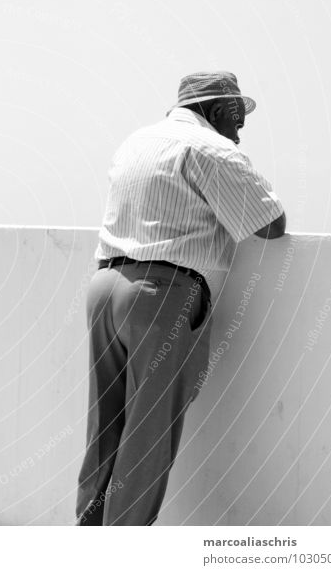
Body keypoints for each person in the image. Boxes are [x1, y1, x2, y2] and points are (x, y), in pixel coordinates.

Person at [75, 71, 286, 526]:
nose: (240, 130)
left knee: (105, 427)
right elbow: (270, 224)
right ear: (213, 112)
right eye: (236, 118)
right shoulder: (210, 148)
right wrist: (238, 161)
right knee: (148, 436)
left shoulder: (136, 141)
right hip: (159, 296)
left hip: (104, 286)